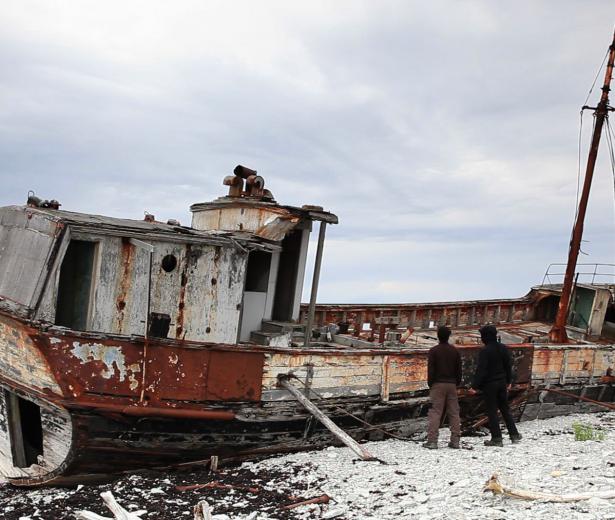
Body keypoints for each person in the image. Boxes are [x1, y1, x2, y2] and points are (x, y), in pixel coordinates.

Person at [470, 325, 522, 447]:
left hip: (490, 385)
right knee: (505, 409)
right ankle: (514, 434)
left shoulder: (485, 351)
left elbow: (481, 371)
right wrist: (509, 381)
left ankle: (497, 438)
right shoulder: (503, 348)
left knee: (492, 411)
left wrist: (474, 386)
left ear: (485, 337)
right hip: (502, 383)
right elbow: (508, 366)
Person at [424, 325, 462, 449]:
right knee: (454, 413)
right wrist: (457, 383)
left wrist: (431, 384)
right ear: (449, 336)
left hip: (438, 384)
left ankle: (432, 441)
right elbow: (459, 370)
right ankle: (455, 440)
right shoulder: (455, 351)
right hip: (452, 384)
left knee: (435, 412)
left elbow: (431, 370)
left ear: (438, 336)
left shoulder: (434, 351)